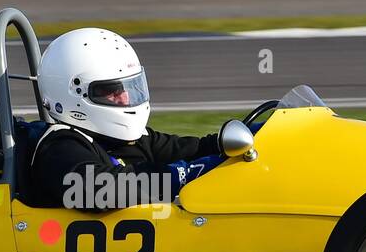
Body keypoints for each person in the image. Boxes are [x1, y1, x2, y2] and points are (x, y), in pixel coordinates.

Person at [27, 27, 222, 210]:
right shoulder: (59, 148)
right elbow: (97, 190)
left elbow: (195, 150)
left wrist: (240, 136)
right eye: (111, 91)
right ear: (73, 94)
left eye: (128, 87)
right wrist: (180, 176)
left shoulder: (132, 140)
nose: (125, 97)